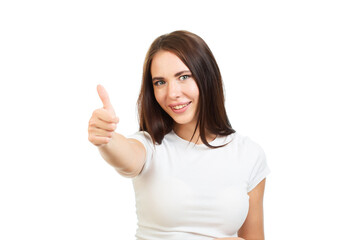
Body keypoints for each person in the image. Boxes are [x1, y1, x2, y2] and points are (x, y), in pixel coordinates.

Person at [88, 30, 270, 240]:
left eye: (183, 77)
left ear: (207, 77)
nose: (172, 93)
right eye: (160, 82)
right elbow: (126, 157)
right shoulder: (150, 146)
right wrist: (107, 140)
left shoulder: (249, 155)